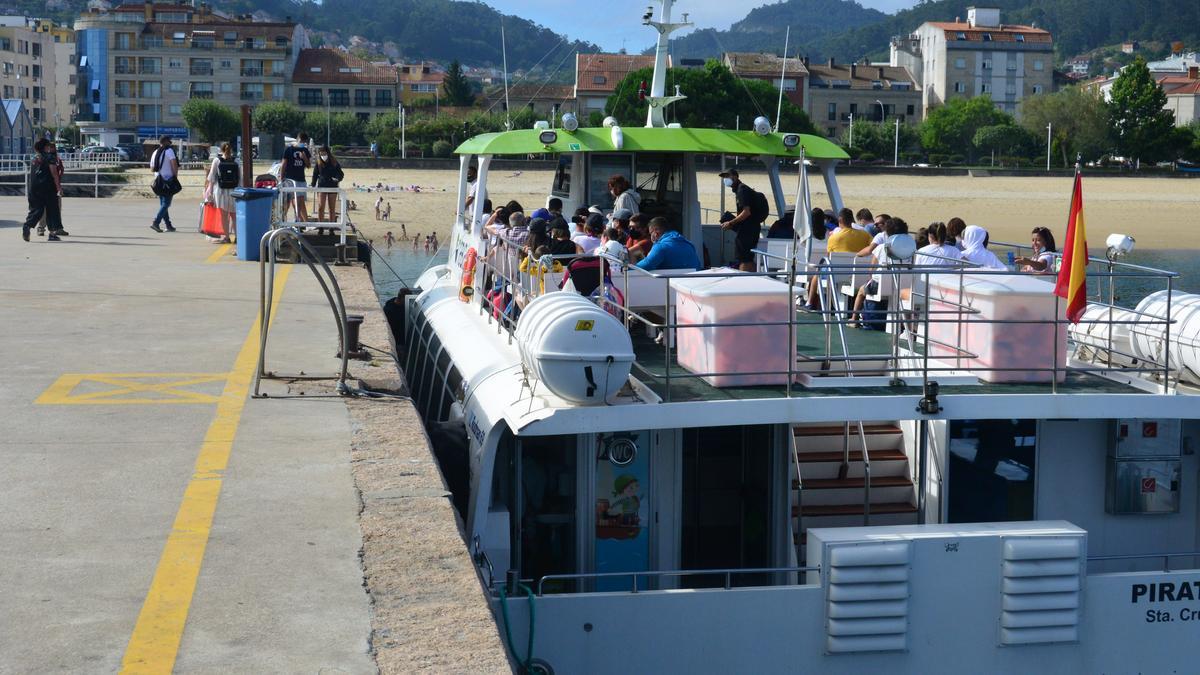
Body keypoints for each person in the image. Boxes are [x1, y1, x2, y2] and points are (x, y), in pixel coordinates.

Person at [718, 168, 770, 272]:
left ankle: (742, 281)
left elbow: (746, 212)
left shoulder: (741, 190)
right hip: (752, 228)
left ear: (735, 177)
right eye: (724, 177)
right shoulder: (742, 189)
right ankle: (755, 280)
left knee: (743, 258)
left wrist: (730, 223)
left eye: (728, 176)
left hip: (747, 230)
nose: (725, 179)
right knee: (748, 258)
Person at [22, 139, 65, 242]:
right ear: (45, 147)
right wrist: (59, 188)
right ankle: (52, 234)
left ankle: (27, 226)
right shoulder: (50, 157)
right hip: (48, 187)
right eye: (48, 146)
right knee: (53, 210)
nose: (50, 148)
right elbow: (54, 173)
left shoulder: (34, 158)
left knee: (36, 210)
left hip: (34, 188)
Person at [203, 142, 239, 243]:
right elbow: (240, 177)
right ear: (231, 150)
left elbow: (212, 177)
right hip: (234, 191)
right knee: (234, 216)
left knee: (224, 216)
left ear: (221, 150)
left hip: (220, 191)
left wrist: (208, 191)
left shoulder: (217, 160)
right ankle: (237, 237)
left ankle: (227, 237)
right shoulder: (237, 160)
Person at [636, 217, 701, 271]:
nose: (650, 236)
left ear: (656, 232)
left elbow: (644, 266)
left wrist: (627, 269)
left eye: (650, 233)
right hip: (692, 283)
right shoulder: (688, 244)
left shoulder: (660, 247)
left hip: (673, 284)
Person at [149, 135, 179, 233]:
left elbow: (152, 168)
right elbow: (174, 163)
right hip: (168, 180)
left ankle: (168, 225)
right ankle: (156, 222)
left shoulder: (155, 152)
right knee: (166, 203)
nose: (170, 144)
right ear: (166, 142)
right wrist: (175, 177)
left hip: (157, 180)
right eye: (169, 142)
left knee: (163, 203)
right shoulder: (169, 151)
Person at [281, 132, 312, 223]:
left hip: (301, 179)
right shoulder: (289, 149)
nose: (302, 142)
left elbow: (309, 165)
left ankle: (302, 222)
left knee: (300, 201)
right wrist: (281, 178)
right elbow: (284, 164)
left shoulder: (305, 150)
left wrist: (304, 158)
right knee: (288, 201)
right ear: (297, 139)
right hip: (290, 179)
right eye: (301, 140)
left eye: (304, 141)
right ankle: (285, 220)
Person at [311, 145, 345, 223]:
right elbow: (315, 174)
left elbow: (340, 173)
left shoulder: (334, 162)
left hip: (332, 186)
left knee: (331, 208)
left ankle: (331, 228)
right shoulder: (318, 163)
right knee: (320, 207)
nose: (323, 156)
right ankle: (321, 227)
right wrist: (312, 184)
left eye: (324, 154)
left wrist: (337, 179)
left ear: (328, 153)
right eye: (321, 154)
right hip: (321, 186)